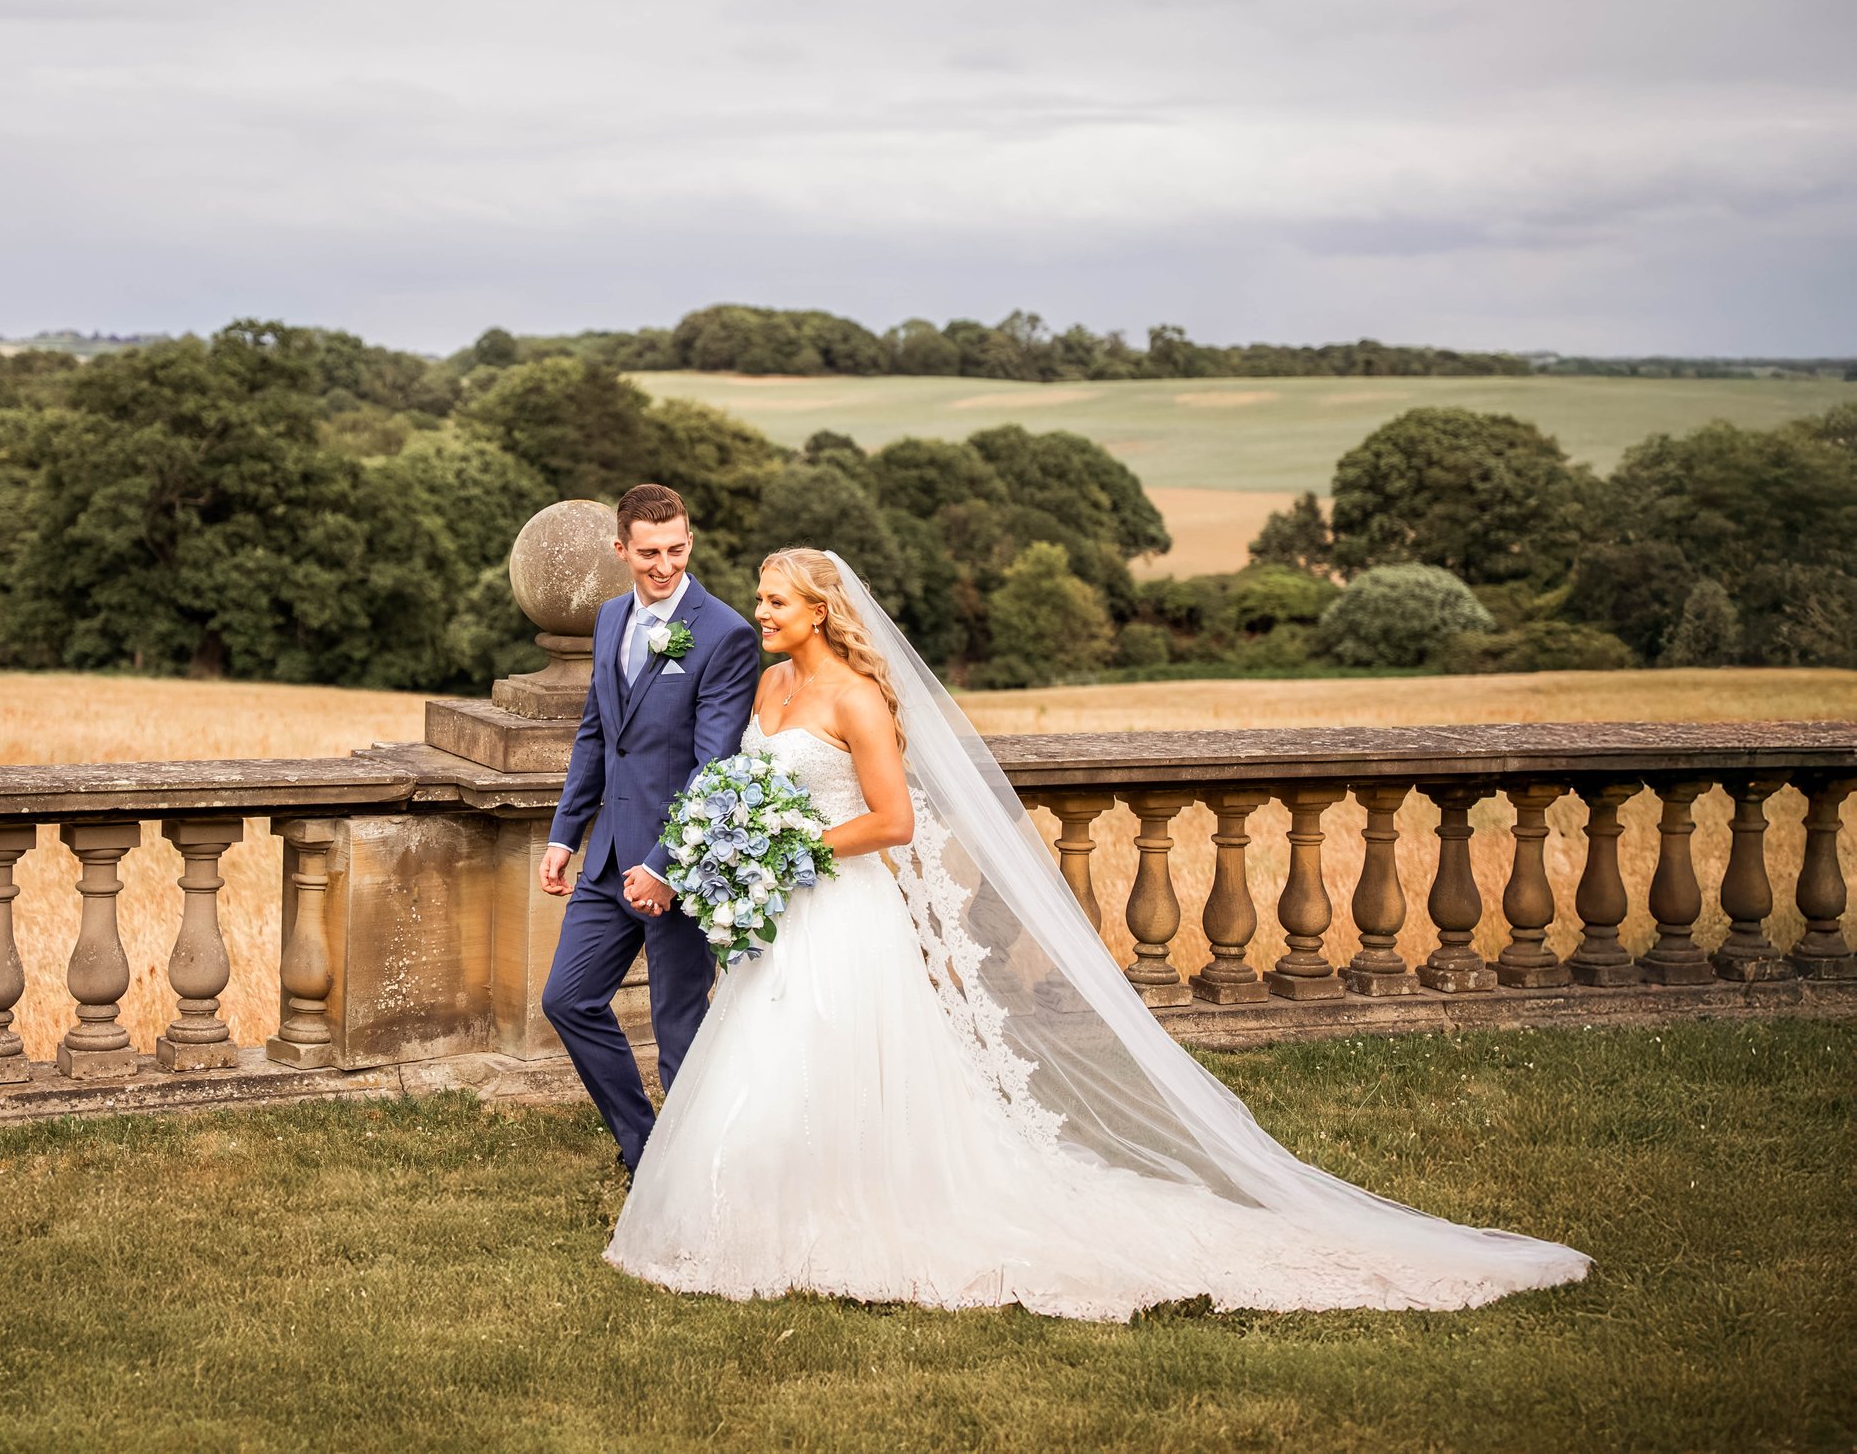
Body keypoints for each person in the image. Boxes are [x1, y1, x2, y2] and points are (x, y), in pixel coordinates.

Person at [602, 547, 1592, 1319]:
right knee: (763, 1057)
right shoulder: (771, 690)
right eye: (762, 601)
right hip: (782, 907)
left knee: (823, 1054)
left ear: (819, 610)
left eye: (775, 601)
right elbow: (736, 779)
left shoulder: (856, 697)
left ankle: (842, 1215)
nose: (760, 613)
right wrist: (731, 839)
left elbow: (894, 821)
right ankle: (755, 1216)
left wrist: (793, 848)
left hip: (838, 900)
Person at [540, 483, 759, 1176]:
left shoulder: (724, 632)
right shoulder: (609, 619)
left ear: (689, 542)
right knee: (567, 999)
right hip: (606, 858)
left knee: (679, 1030)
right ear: (621, 549)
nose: (664, 566)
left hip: (679, 869)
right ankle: (645, 1145)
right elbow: (596, 735)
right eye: (649, 553)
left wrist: (666, 866)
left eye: (676, 550)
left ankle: (697, 1176)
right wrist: (563, 834)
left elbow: (714, 765)